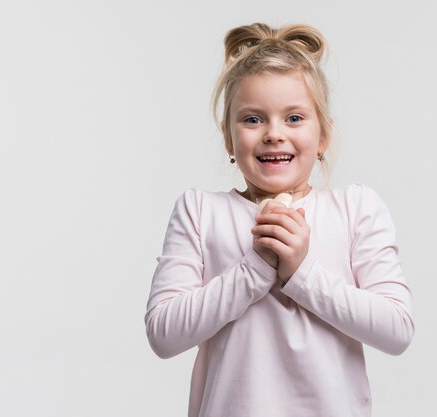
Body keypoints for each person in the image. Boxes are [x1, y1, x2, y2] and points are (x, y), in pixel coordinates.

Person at [144, 22, 414, 417]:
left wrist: (301, 272)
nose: (273, 133)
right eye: (253, 119)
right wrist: (254, 269)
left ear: (322, 136)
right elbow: (163, 335)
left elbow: (397, 330)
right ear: (228, 139)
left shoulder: (357, 208)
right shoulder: (199, 211)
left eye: (294, 118)